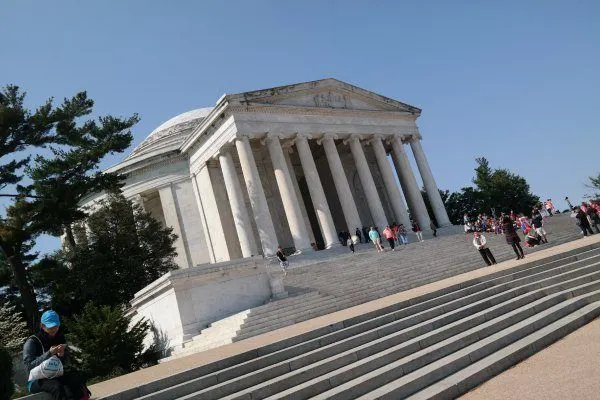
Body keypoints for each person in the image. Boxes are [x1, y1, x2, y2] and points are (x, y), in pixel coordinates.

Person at [24, 310, 90, 400]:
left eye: (56, 326)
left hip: (56, 374)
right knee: (56, 387)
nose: (54, 329)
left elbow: (64, 363)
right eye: (51, 327)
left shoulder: (59, 337)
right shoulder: (32, 341)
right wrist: (49, 353)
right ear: (43, 326)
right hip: (36, 380)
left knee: (76, 380)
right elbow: (28, 366)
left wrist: (62, 355)